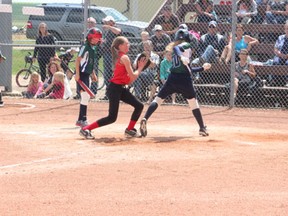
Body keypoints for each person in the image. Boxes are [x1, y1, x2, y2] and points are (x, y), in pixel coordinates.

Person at [139, 29, 212, 138]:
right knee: (193, 103)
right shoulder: (185, 45)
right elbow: (179, 49)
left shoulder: (174, 50)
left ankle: (145, 118)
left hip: (172, 78)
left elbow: (188, 67)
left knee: (158, 100)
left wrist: (202, 68)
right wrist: (182, 57)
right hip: (184, 80)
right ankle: (202, 127)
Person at [79, 36, 148, 139]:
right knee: (112, 118)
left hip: (119, 88)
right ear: (120, 46)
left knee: (139, 106)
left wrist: (137, 70)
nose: (128, 45)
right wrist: (140, 68)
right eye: (126, 44)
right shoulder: (124, 57)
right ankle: (85, 129)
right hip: (115, 89)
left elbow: (129, 80)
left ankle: (129, 130)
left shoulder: (120, 56)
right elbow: (133, 77)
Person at [74, 28, 103, 128]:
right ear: (89, 37)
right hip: (81, 73)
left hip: (86, 74)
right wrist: (77, 74)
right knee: (85, 96)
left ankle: (80, 119)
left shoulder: (93, 48)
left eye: (98, 38)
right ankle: (83, 119)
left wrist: (93, 73)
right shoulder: (85, 47)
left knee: (85, 97)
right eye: (95, 38)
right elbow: (77, 61)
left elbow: (90, 63)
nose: (96, 40)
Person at [101, 15, 122, 100]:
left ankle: (116, 93)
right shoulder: (107, 31)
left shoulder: (115, 28)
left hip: (114, 55)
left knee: (115, 74)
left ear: (111, 22)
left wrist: (109, 27)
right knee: (107, 75)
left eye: (107, 22)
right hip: (106, 54)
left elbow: (118, 32)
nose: (105, 23)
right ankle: (108, 93)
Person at [270, 20, 288, 86]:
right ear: (285, 29)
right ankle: (275, 80)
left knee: (287, 63)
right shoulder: (280, 37)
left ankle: (286, 81)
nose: (287, 30)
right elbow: (275, 49)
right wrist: (280, 54)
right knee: (276, 62)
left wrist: (286, 56)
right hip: (279, 55)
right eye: (286, 28)